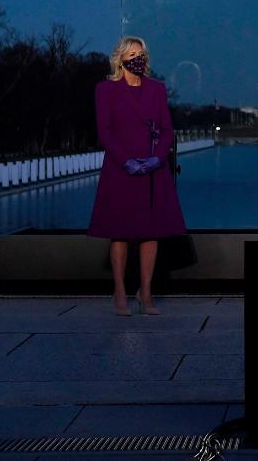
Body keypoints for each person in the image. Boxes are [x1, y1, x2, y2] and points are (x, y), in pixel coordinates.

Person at [88, 37, 186, 316]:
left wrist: (158, 157)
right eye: (132, 54)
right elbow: (104, 131)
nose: (137, 58)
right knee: (120, 233)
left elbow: (167, 128)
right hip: (121, 168)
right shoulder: (105, 90)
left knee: (150, 233)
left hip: (153, 168)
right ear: (120, 59)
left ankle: (146, 292)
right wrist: (126, 160)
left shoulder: (156, 89)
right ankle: (119, 292)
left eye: (141, 54)